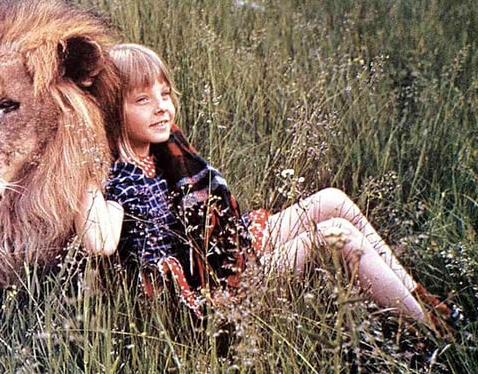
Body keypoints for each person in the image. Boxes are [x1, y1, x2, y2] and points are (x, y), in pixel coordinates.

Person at [80, 42, 457, 336]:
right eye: (143, 100)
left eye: (165, 94)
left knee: (331, 201)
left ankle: (424, 304)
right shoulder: (119, 178)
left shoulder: (163, 152)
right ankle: (429, 335)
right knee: (334, 237)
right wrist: (83, 178)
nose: (162, 108)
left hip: (216, 259)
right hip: (196, 300)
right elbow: (100, 241)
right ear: (112, 111)